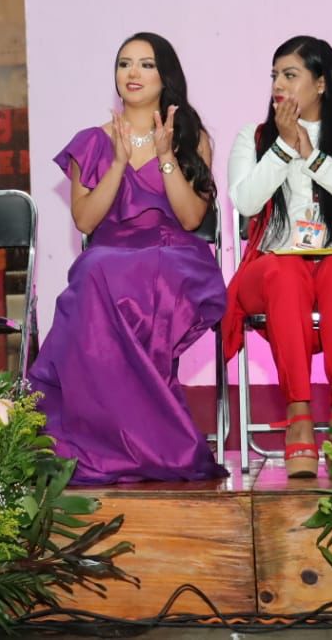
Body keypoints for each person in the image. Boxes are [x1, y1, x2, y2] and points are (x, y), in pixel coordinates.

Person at [29, 34, 226, 484]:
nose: (132, 73)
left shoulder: (190, 137)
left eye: (146, 64)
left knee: (116, 272)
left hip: (173, 254)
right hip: (110, 253)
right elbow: (85, 220)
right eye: (124, 63)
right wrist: (118, 163)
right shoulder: (91, 142)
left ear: (165, 76)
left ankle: (146, 441)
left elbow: (192, 217)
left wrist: (166, 157)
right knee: (95, 269)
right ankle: (112, 439)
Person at [223, 36, 332, 478]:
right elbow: (245, 202)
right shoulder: (253, 137)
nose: (278, 85)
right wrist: (282, 148)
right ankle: (298, 414)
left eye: (290, 75)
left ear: (321, 83)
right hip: (273, 267)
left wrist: (313, 158)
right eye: (274, 76)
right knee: (285, 271)